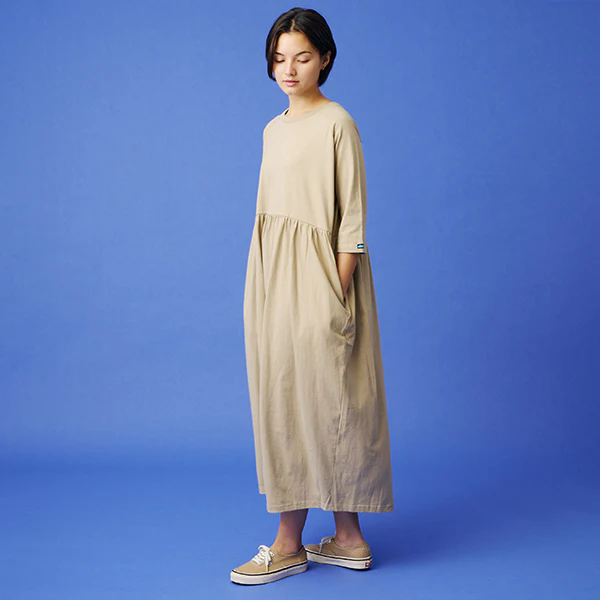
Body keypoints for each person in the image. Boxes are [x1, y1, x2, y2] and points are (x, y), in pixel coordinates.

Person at [230, 7, 394, 585]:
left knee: (333, 401)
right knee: (283, 398)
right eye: (279, 58)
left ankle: (291, 543)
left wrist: (334, 294)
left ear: (325, 58)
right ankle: (344, 540)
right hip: (273, 279)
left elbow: (353, 221)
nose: (289, 69)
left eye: (302, 57)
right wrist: (264, 288)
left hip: (324, 280)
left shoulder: (337, 123)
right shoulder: (272, 129)